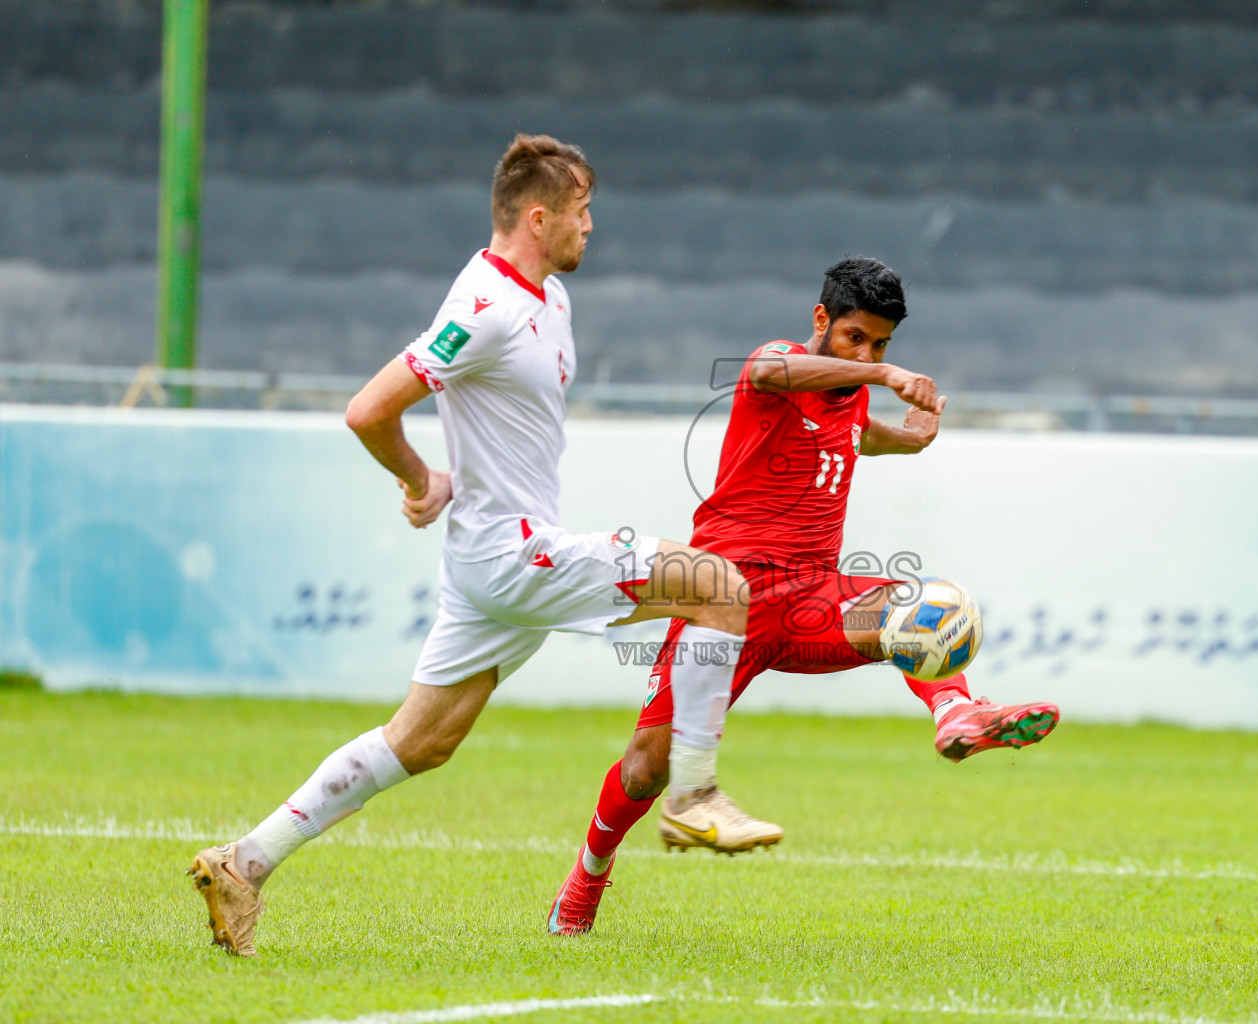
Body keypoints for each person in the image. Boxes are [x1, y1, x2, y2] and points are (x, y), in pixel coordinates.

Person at [188, 134, 767, 957]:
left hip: (491, 557)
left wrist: (460, 475)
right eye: (580, 212)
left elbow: (490, 417)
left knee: (423, 741)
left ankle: (245, 862)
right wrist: (423, 476)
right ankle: (695, 793)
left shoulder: (547, 297)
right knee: (720, 588)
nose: (592, 226)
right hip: (514, 556)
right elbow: (368, 410)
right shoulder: (486, 308)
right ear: (538, 217)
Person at [546, 257, 1059, 935]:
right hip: (725, 600)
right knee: (646, 769)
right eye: (854, 338)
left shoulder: (850, 395)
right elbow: (766, 373)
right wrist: (881, 375)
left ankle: (956, 716)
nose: (868, 354)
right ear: (821, 319)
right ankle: (585, 883)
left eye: (881, 345)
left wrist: (909, 442)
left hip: (814, 599)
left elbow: (856, 436)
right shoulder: (779, 362)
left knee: (916, 607)